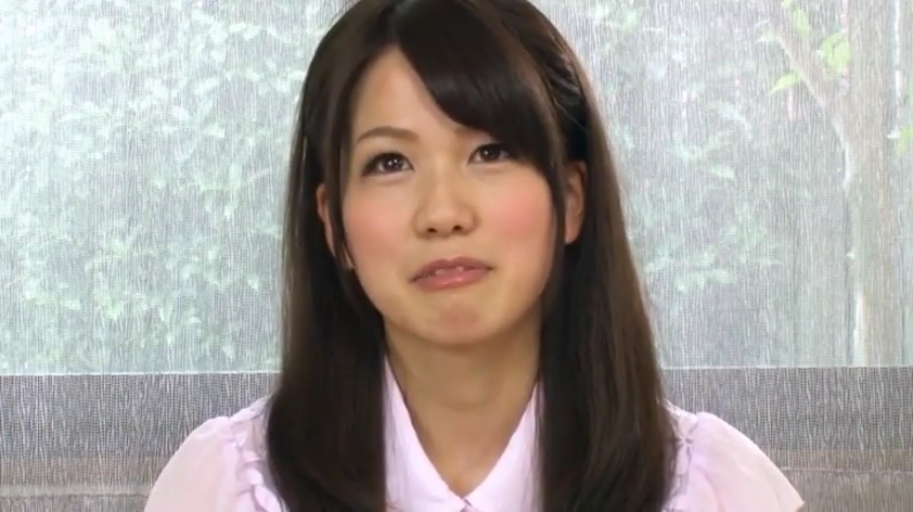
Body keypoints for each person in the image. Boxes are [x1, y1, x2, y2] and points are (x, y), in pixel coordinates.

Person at [144, 0, 804, 510]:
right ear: (333, 224)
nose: (442, 212)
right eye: (390, 162)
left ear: (572, 199)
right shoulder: (226, 489)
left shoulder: (713, 491)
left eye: (490, 151)